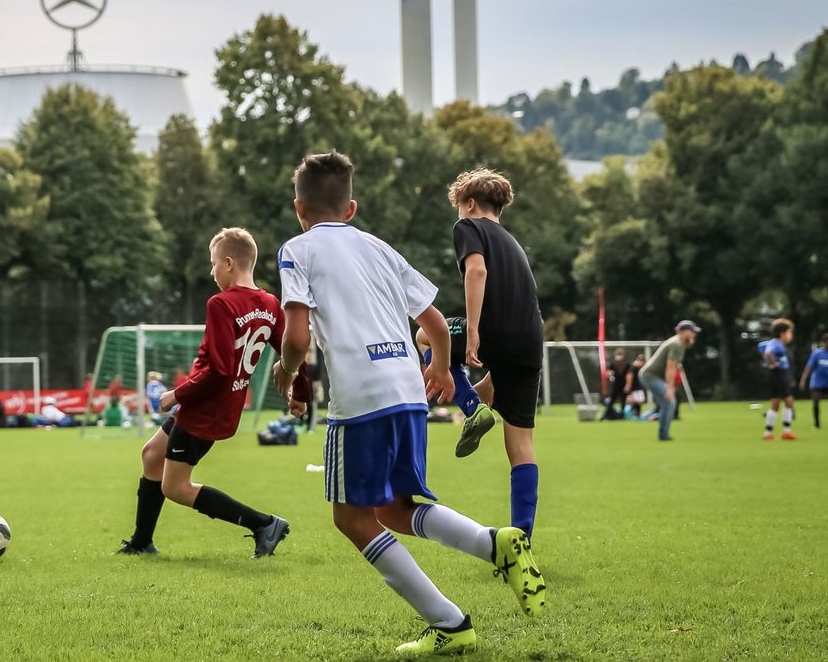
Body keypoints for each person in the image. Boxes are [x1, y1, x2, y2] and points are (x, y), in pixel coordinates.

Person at [271, 152, 545, 655]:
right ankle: (498, 543)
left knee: (351, 518)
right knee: (396, 509)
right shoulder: (379, 247)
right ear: (351, 208)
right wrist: (441, 368)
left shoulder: (297, 249)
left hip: (362, 396)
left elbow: (295, 334)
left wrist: (287, 373)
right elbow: (437, 324)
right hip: (406, 390)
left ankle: (450, 621)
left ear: (298, 207)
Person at [116, 227, 308, 559]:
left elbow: (218, 370)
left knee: (175, 486)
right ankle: (141, 542)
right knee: (152, 455)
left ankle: (264, 524)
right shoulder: (269, 303)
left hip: (204, 408)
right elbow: (292, 349)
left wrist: (175, 395)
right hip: (222, 406)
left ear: (229, 263)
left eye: (213, 264)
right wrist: (301, 393)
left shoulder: (221, 304)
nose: (212, 271)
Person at [416, 168, 544, 540]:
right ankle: (521, 538)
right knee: (521, 444)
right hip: (530, 340)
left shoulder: (469, 227)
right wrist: (493, 377)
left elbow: (476, 271)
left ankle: (472, 411)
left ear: (470, 203)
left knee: (426, 336)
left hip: (493, 329)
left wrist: (473, 330)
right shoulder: (512, 241)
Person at [639, 320, 700, 442]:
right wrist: (670, 387)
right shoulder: (676, 344)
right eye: (692, 331)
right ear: (683, 332)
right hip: (650, 376)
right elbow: (670, 367)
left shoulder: (680, 344)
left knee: (667, 403)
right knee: (670, 402)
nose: (694, 334)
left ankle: (663, 433)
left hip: (652, 376)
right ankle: (663, 435)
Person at [759, 318, 796, 441]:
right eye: (789, 332)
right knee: (789, 401)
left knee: (775, 404)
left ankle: (768, 432)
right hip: (779, 375)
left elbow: (761, 347)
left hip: (775, 375)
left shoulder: (773, 343)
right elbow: (768, 353)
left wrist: (769, 363)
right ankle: (786, 431)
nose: (791, 335)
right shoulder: (777, 344)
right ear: (782, 334)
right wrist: (773, 362)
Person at [800, 333, 828, 430]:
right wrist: (803, 381)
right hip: (818, 382)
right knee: (816, 402)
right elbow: (808, 368)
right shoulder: (817, 353)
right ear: (823, 343)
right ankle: (816, 424)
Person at [602, 349, 631, 420]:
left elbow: (629, 375)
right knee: (611, 401)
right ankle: (606, 414)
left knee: (623, 401)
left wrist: (627, 386)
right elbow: (609, 374)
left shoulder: (627, 365)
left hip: (623, 385)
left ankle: (622, 415)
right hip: (616, 385)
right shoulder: (612, 364)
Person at [626, 354, 646, 419]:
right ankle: (633, 413)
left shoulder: (638, 368)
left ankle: (636, 414)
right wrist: (628, 386)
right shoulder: (634, 367)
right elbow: (629, 376)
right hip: (635, 388)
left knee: (639, 401)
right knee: (637, 401)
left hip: (638, 387)